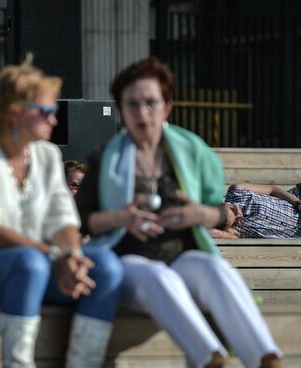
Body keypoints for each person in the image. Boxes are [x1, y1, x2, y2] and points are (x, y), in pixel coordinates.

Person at [75, 57, 282, 368]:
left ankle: (267, 359)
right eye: (132, 104)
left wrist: (198, 214)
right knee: (158, 275)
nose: (142, 112)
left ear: (167, 106)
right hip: (129, 259)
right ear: (121, 110)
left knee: (217, 270)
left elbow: (220, 213)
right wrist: (121, 218)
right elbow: (82, 220)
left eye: (150, 102)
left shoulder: (192, 150)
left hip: (182, 254)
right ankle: (212, 360)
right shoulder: (106, 156)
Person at [0, 58, 124, 368]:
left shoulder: (48, 155)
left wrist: (71, 256)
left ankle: (84, 363)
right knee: (31, 263)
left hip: (35, 261)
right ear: (14, 113)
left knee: (106, 266)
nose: (54, 120)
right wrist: (54, 256)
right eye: (47, 112)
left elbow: (63, 220)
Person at [210, 182, 301, 239]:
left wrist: (298, 204)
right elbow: (212, 233)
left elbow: (272, 189)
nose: (239, 216)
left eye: (233, 210)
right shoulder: (234, 230)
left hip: (296, 199)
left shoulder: (237, 191)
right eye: (235, 221)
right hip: (296, 232)